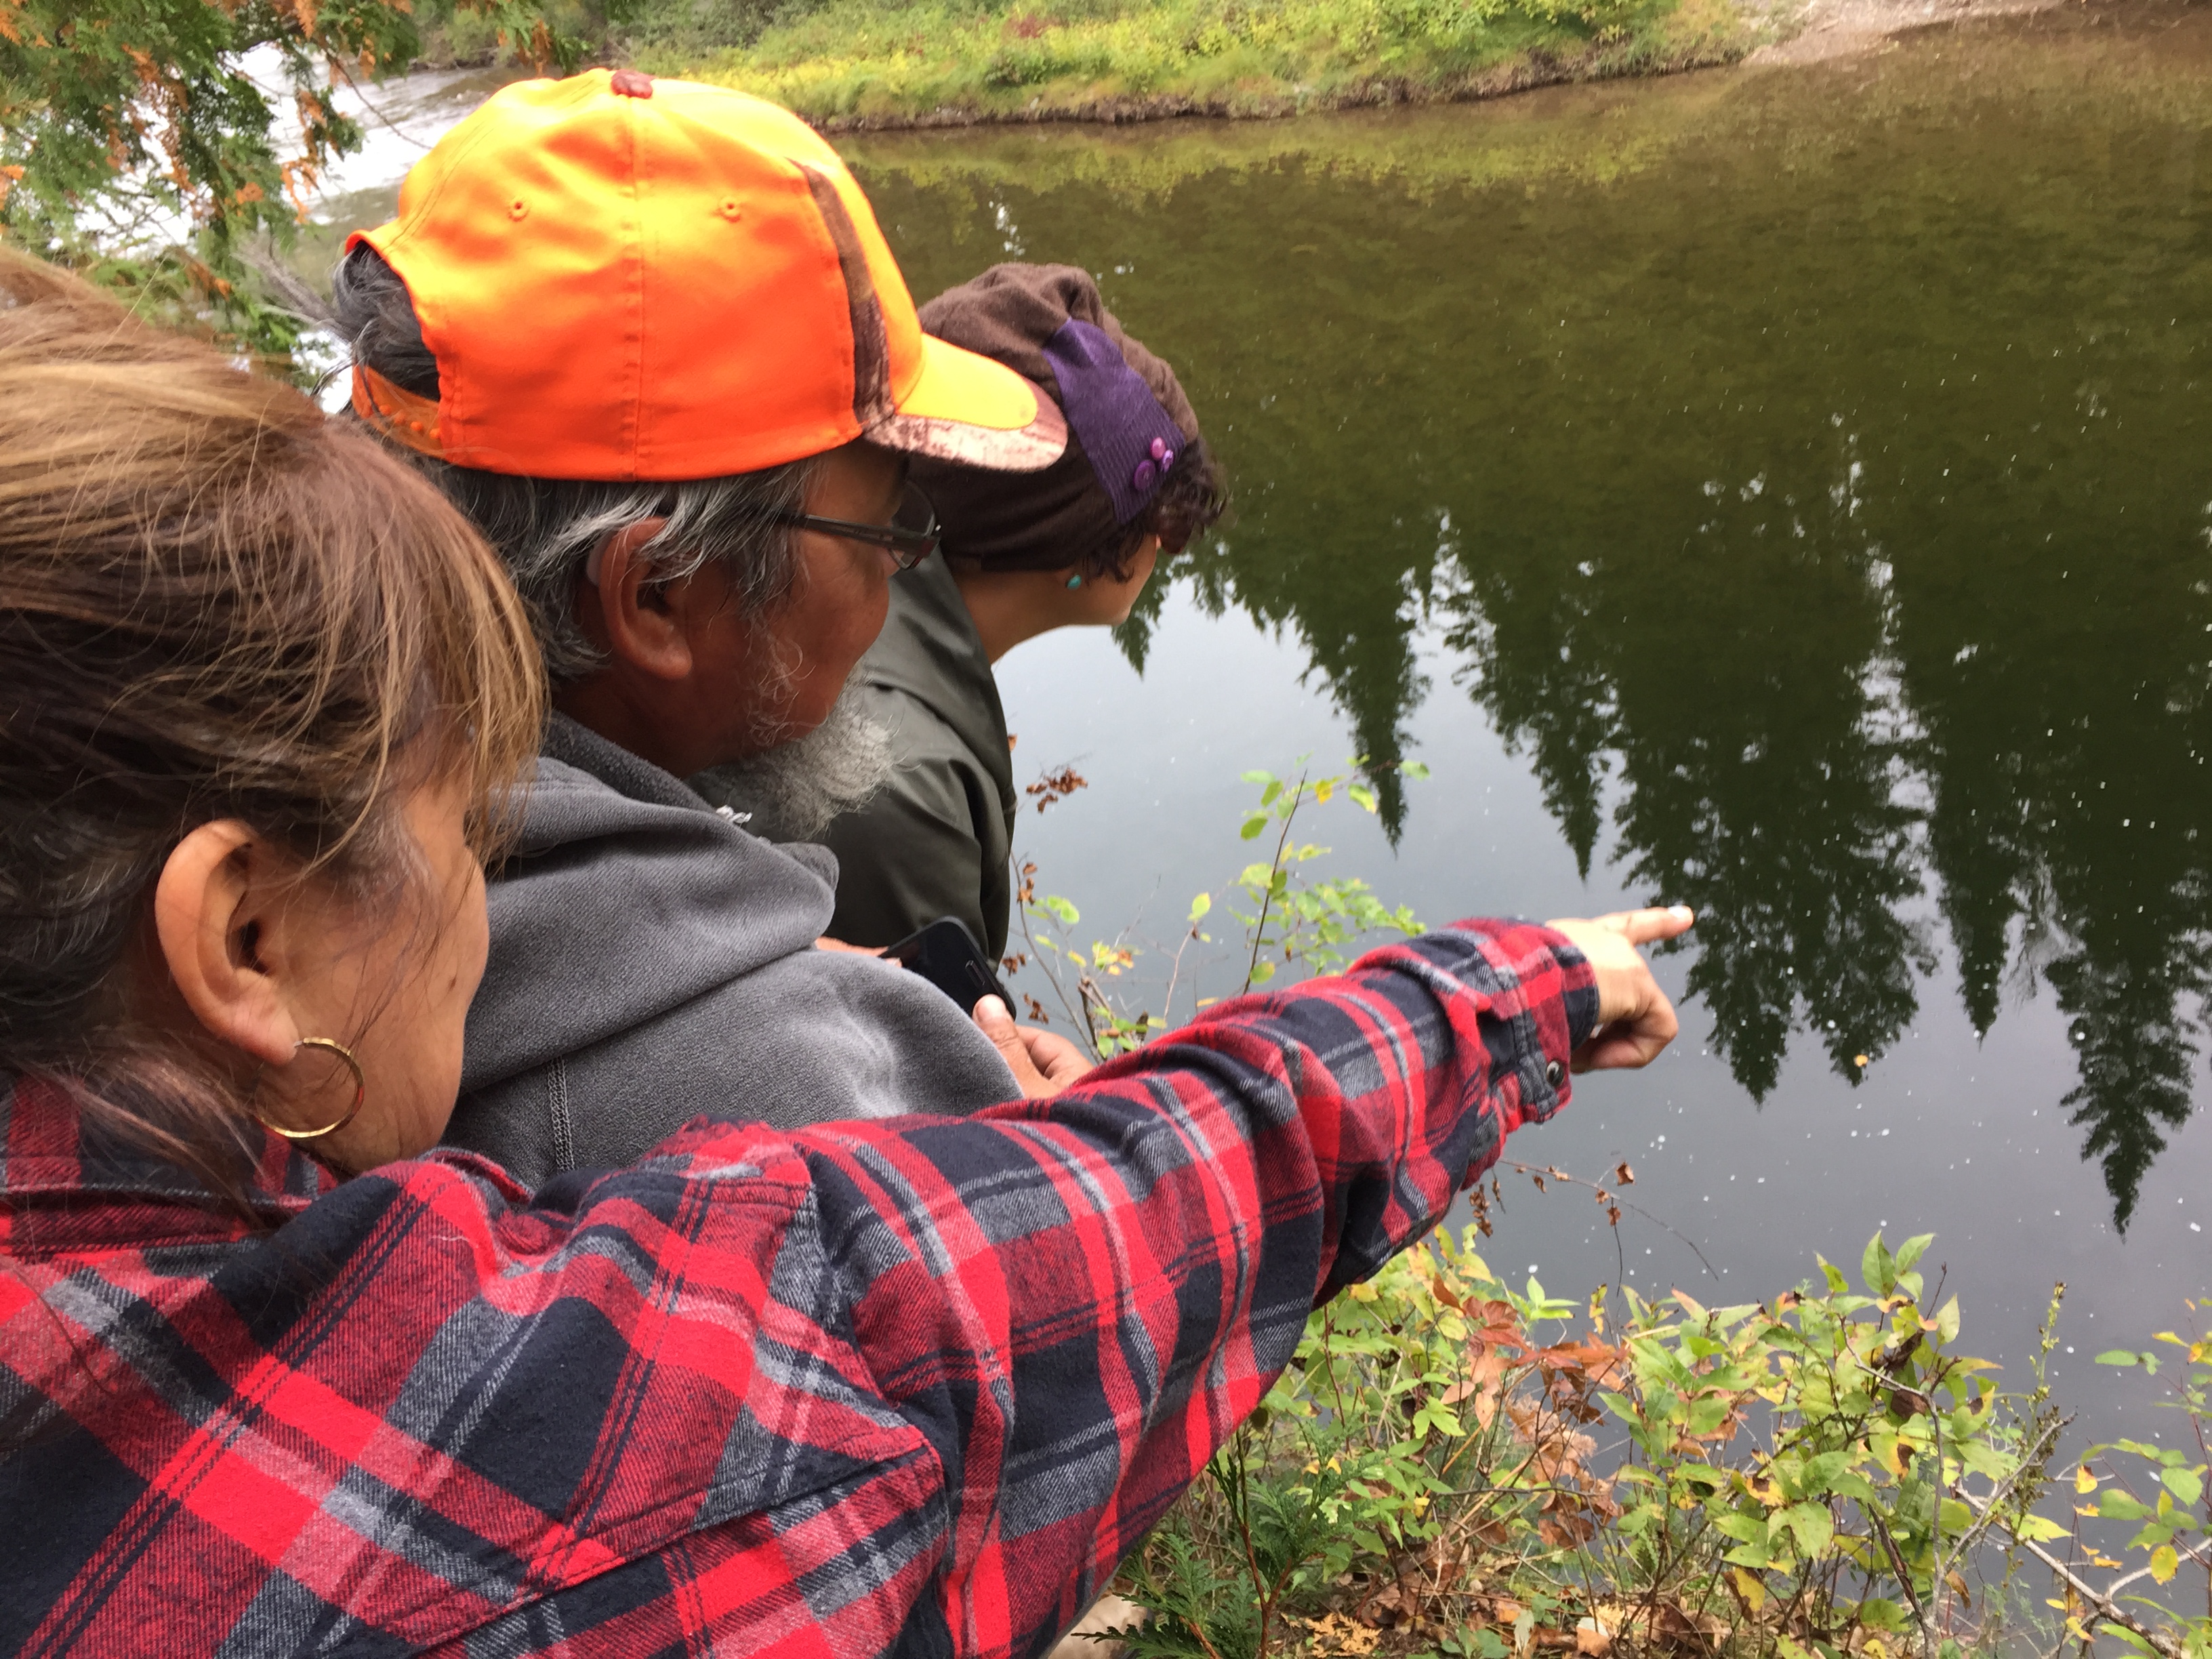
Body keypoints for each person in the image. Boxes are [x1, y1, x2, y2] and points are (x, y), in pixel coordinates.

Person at [0, 253, 1691, 1656]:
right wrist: (1509, 992)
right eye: (469, 819)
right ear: (243, 937)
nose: (498, 872)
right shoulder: (538, 1464)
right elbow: (983, 1313)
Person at [333, 70, 1088, 1186]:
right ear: (656, 596)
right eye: (887, 526)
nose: (900, 577)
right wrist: (1066, 1153)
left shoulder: (273, 812)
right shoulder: (816, 1118)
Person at [701, 264, 1226, 962]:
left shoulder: (858, 628)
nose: (1167, 544)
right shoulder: (899, 789)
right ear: (1067, 542)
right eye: (1162, 516)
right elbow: (928, 1061)